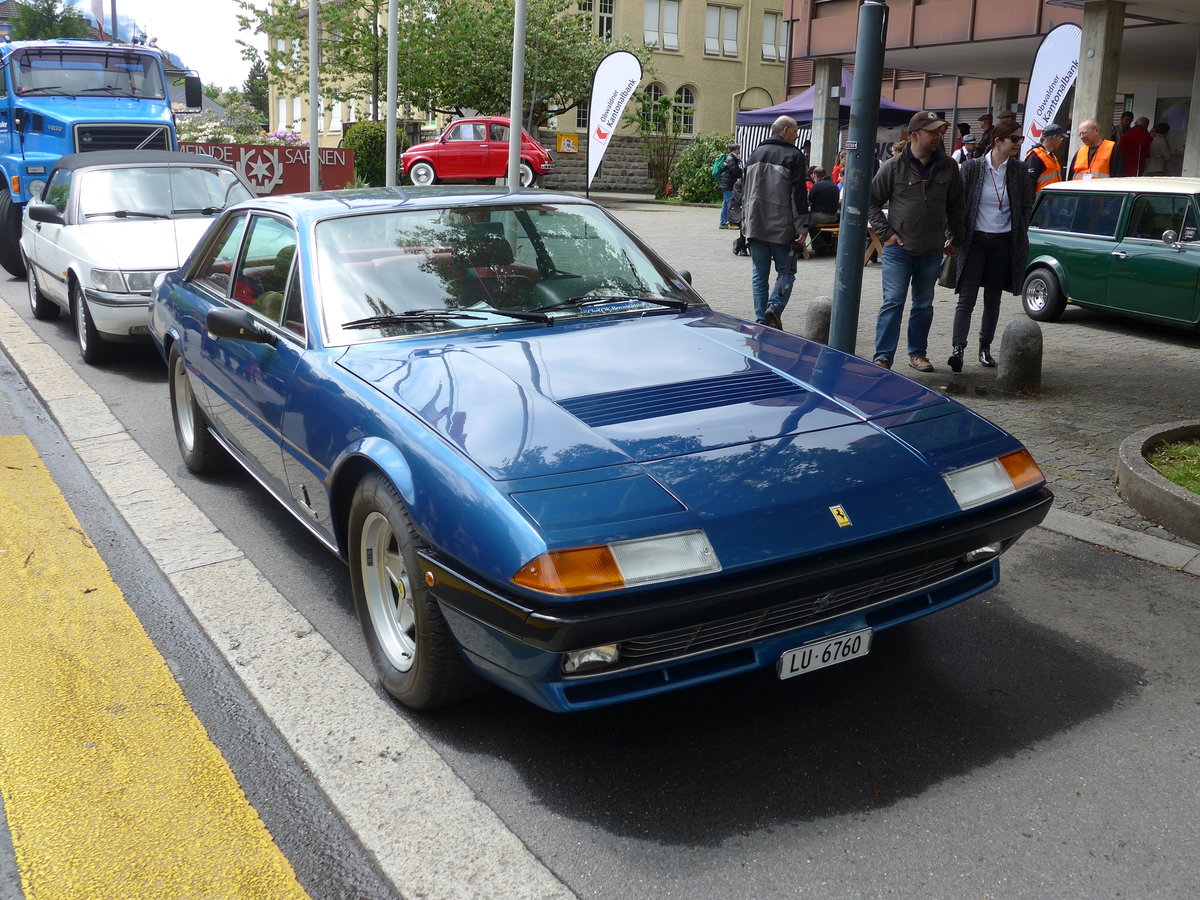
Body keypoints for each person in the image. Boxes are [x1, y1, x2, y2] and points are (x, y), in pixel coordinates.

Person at [868, 110, 966, 372]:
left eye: (939, 132)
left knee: (923, 305)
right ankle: (883, 356)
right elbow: (872, 202)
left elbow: (957, 206)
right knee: (893, 302)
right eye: (932, 132)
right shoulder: (893, 167)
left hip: (932, 250)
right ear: (915, 135)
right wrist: (887, 235)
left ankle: (917, 354)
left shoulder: (948, 168)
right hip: (899, 250)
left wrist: (957, 238)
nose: (937, 137)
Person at [946, 119, 1034, 372]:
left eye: (1020, 139)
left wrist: (1020, 228)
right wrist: (951, 236)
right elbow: (957, 205)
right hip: (974, 242)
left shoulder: (1019, 171)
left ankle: (985, 347)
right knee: (966, 298)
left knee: (993, 300)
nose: (1018, 143)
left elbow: (1026, 206)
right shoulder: (972, 168)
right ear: (998, 141)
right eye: (1014, 139)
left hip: (1003, 243)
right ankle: (957, 349)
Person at [742, 115, 809, 329]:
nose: (798, 136)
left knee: (759, 274)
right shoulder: (794, 156)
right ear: (785, 131)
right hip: (783, 227)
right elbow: (798, 195)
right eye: (796, 131)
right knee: (787, 271)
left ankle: (762, 320)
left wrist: (743, 226)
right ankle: (775, 307)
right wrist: (802, 227)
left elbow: (744, 192)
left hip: (755, 224)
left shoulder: (755, 153)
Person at [1025, 123, 1067, 192]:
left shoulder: (1051, 156)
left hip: (1051, 200)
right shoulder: (1035, 156)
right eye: (1060, 137)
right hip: (1041, 201)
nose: (1061, 141)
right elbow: (1029, 184)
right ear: (1054, 136)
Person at [808, 167, 839, 255]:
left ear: (816, 176)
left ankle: (820, 246)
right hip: (834, 217)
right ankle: (828, 244)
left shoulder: (817, 185)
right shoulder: (834, 185)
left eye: (813, 178)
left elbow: (810, 202)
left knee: (806, 221)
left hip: (821, 216)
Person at [717, 143, 742, 228]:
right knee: (730, 203)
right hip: (728, 183)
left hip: (726, 183)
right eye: (738, 149)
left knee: (726, 203)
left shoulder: (731, 157)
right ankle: (731, 222)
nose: (739, 151)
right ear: (734, 150)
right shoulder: (731, 158)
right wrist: (743, 174)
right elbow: (734, 169)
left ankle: (723, 222)